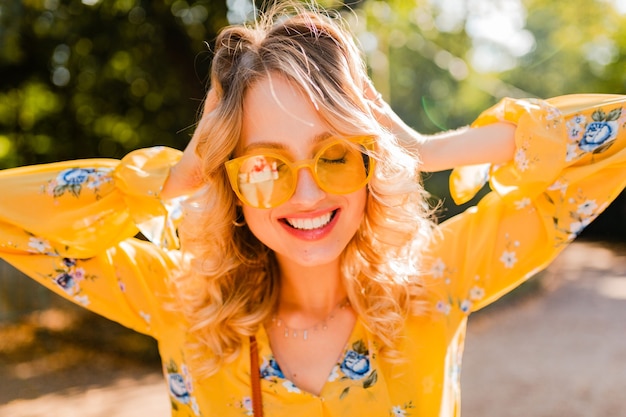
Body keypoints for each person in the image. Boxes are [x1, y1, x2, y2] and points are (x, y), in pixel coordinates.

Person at [1, 2, 625, 416]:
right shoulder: (182, 301)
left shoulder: (437, 278)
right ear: (233, 182)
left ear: (370, 162)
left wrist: (428, 148)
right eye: (266, 165)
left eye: (334, 156)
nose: (306, 196)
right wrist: (173, 177)